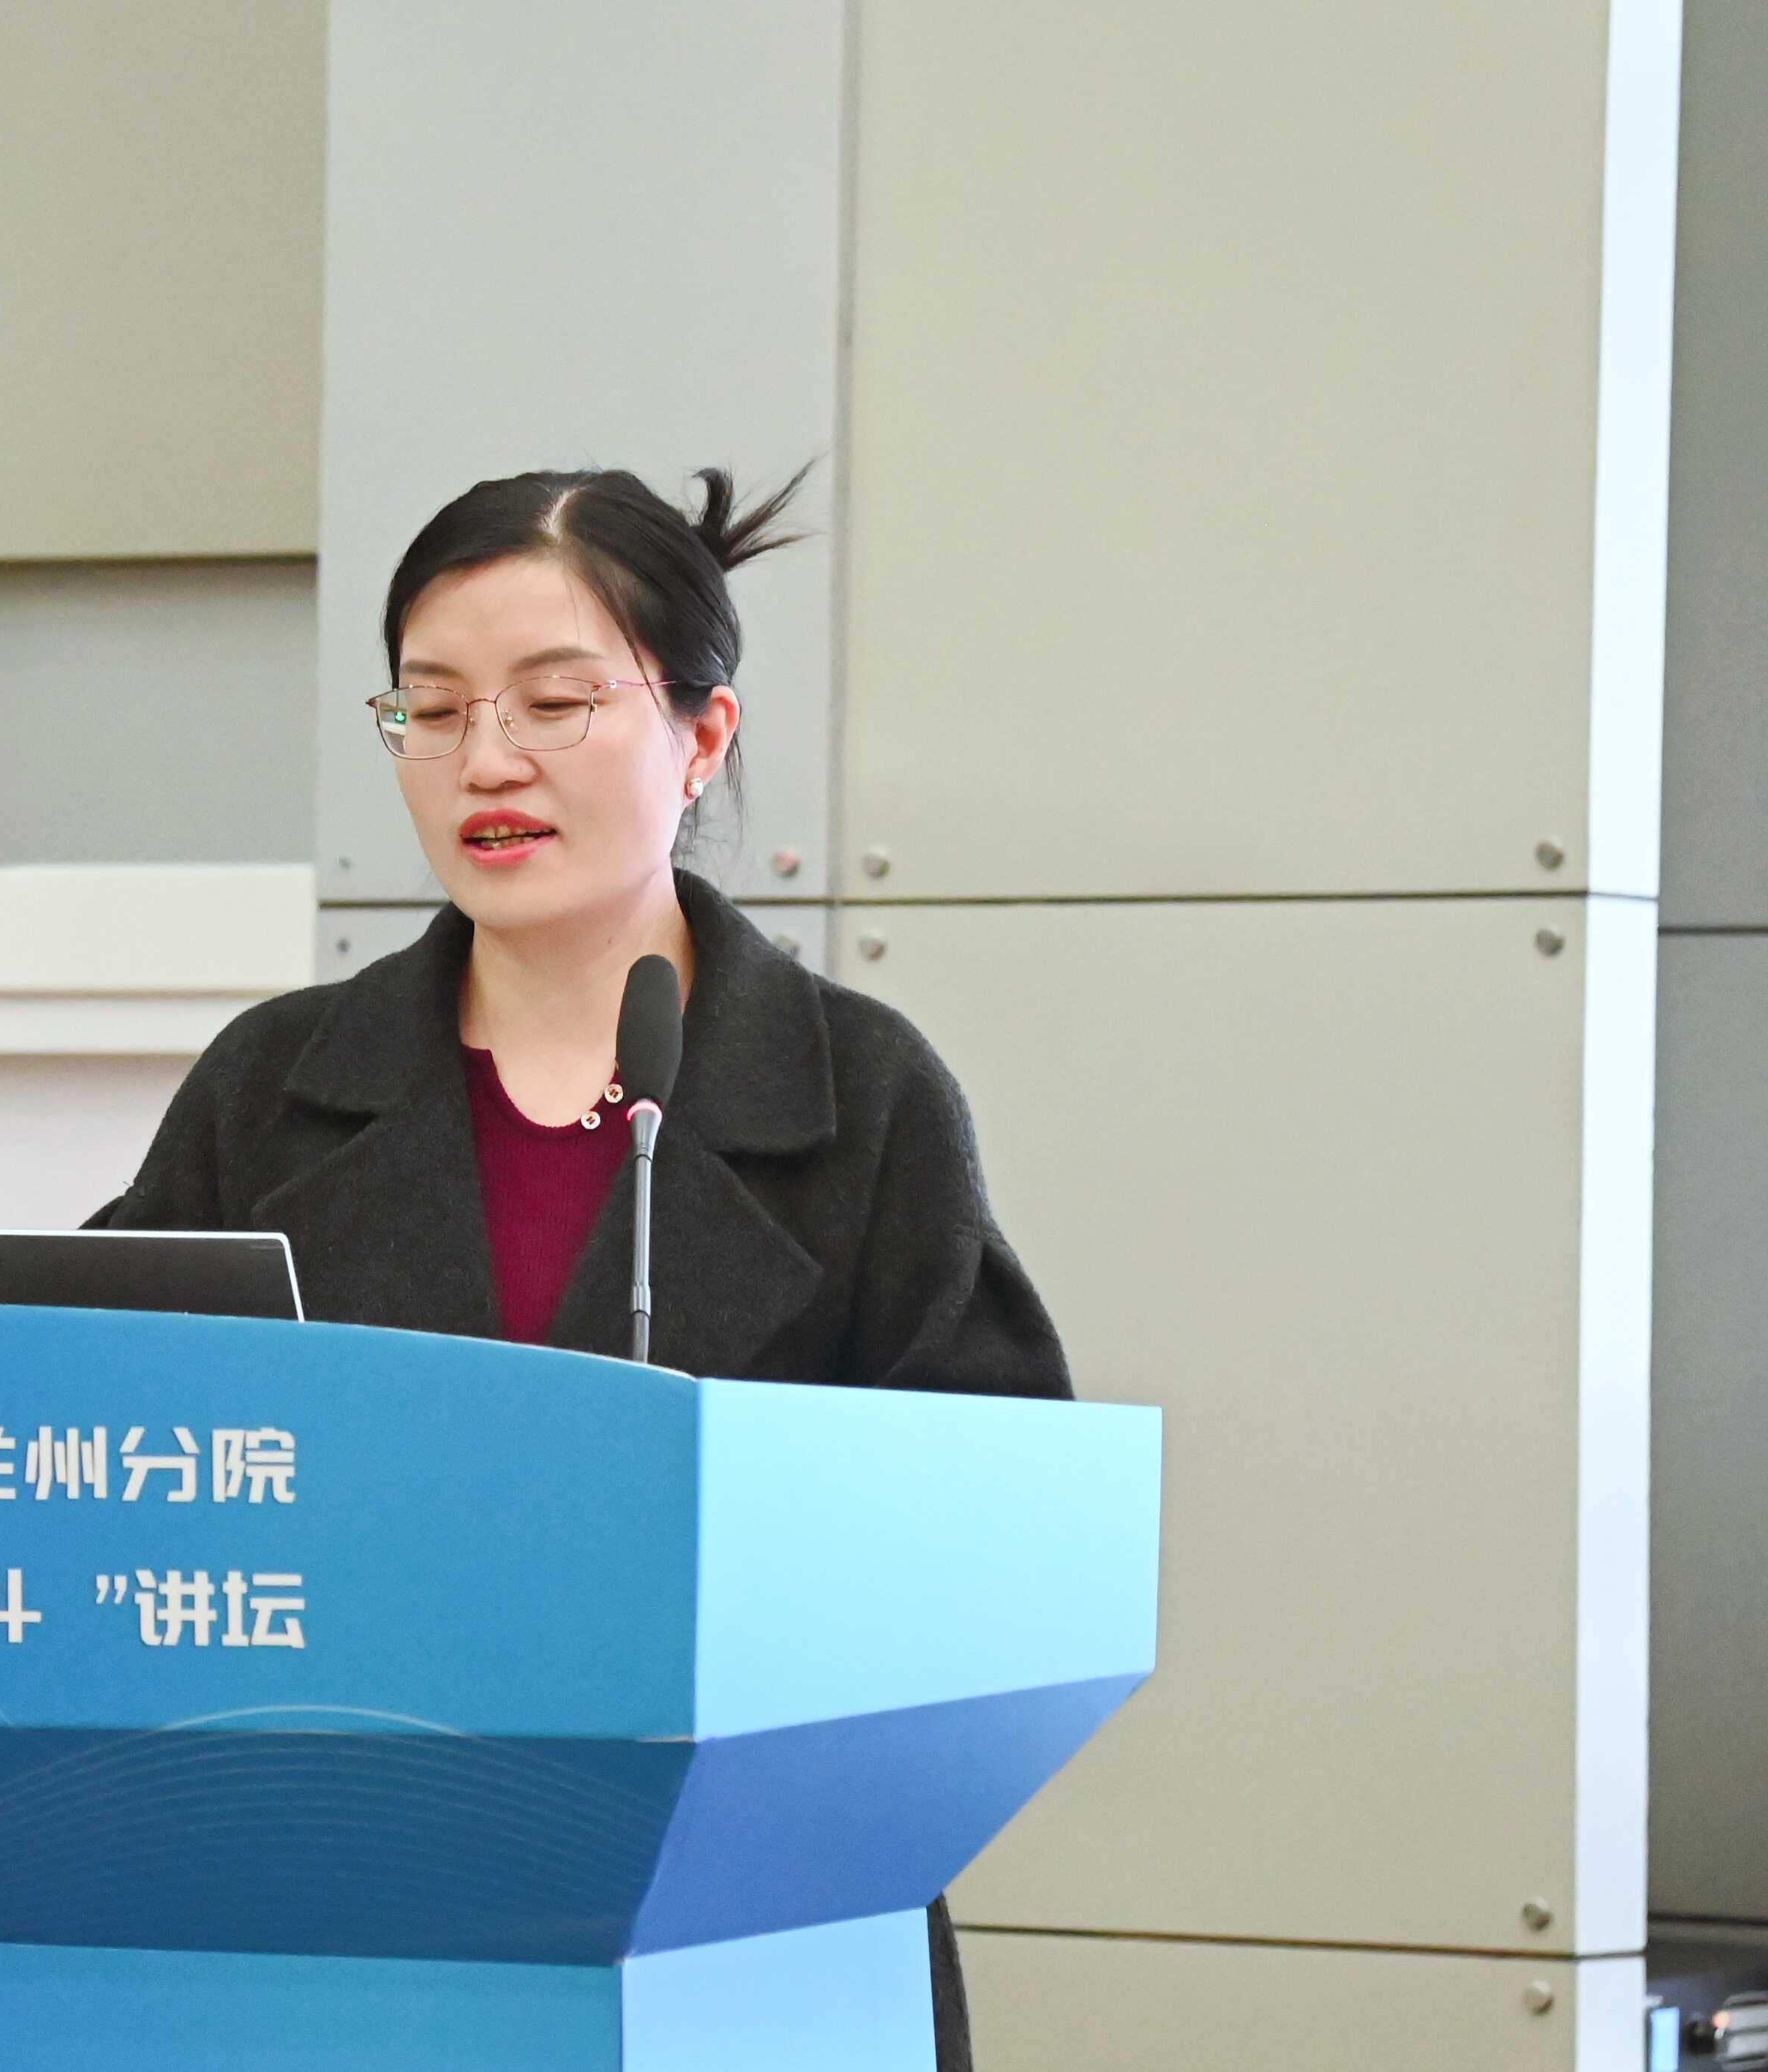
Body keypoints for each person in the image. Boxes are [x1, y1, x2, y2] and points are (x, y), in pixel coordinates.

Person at [91, 464, 1072, 2071]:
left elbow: (994, 1553)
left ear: (703, 735)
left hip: (741, 1927)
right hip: (351, 1917)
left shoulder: (863, 1094)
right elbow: (100, 1453)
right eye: (431, 709)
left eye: (555, 703)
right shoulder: (274, 1086)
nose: (486, 760)